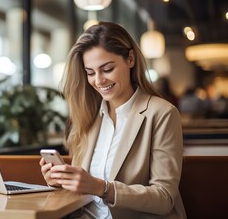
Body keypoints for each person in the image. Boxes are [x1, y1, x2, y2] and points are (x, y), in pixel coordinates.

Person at [40, 22, 186, 218]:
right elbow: (84, 195)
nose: (98, 81)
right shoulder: (88, 116)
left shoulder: (162, 113)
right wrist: (60, 181)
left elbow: (164, 198)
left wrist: (103, 188)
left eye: (107, 69)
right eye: (90, 73)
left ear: (131, 59)